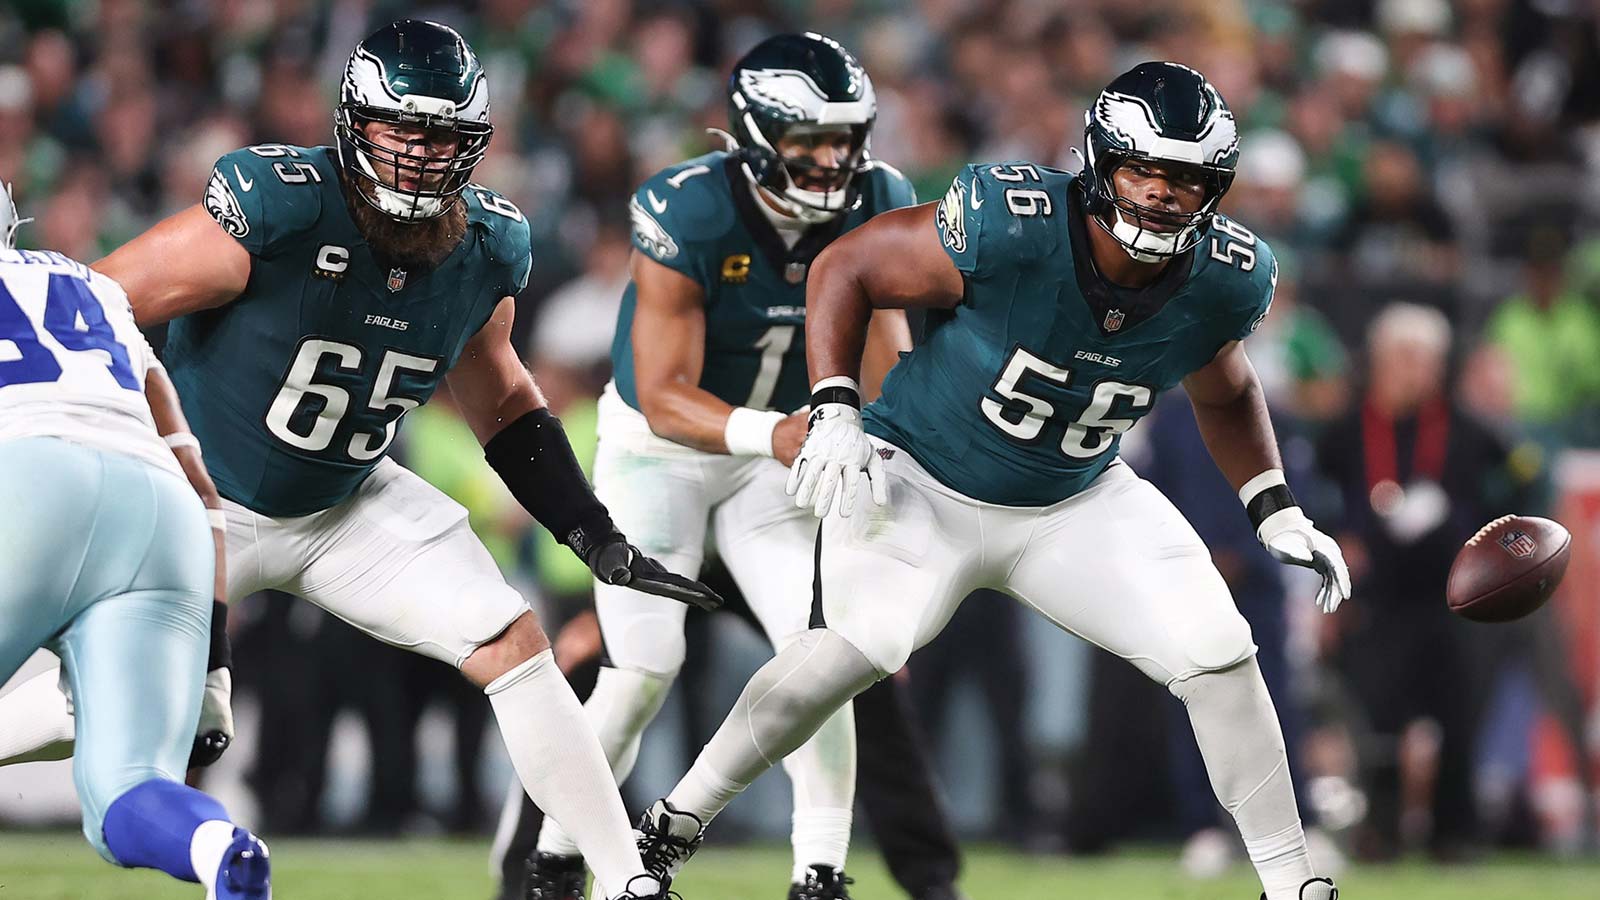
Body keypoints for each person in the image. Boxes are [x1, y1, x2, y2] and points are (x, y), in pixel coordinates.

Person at [0, 21, 718, 900]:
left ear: (474, 144)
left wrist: (590, 529)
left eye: (441, 137)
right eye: (400, 130)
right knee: (120, 715)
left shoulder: (484, 245)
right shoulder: (284, 203)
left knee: (512, 641)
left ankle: (626, 884)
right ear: (353, 123)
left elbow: (499, 392)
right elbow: (94, 306)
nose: (419, 155)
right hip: (200, 504)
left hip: (347, 499)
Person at [631, 62, 1350, 900]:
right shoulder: (1016, 224)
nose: (1160, 195)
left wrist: (1273, 506)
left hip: (1073, 498)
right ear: (1099, 163)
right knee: (855, 649)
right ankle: (671, 825)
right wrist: (834, 405)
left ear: (1214, 189)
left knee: (1220, 652)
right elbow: (847, 267)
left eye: (1184, 180)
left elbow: (1226, 387)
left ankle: (1292, 884)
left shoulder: (1227, 273)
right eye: (1142, 171)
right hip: (923, 482)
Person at [523, 33, 961, 900]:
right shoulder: (688, 208)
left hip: (786, 457)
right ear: (755, 132)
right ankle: (557, 860)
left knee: (819, 655)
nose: (831, 159)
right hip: (666, 455)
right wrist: (780, 436)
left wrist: (887, 477)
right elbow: (660, 395)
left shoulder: (879, 199)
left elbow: (887, 363)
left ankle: (819, 873)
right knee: (642, 671)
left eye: (843, 138)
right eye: (808, 140)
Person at [0, 185, 271, 898]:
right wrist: (214, 665)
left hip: (24, 486)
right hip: (162, 515)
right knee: (126, 791)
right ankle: (221, 851)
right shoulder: (92, 288)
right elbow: (203, 488)